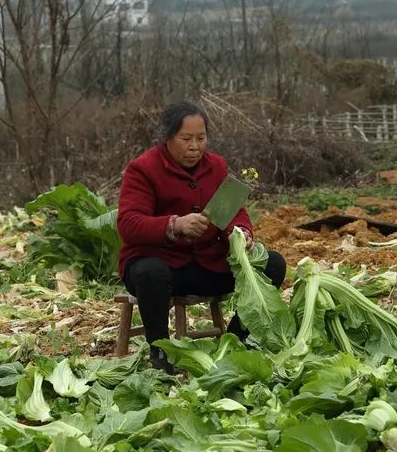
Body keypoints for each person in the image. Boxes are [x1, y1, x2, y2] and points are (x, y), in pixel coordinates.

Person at [117, 99, 286, 372]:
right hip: (163, 266)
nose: (195, 146)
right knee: (150, 272)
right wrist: (174, 225)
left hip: (207, 264)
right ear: (168, 137)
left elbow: (233, 212)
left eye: (201, 138)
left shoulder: (216, 166)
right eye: (186, 139)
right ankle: (160, 351)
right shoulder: (144, 169)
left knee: (273, 263)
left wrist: (240, 234)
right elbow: (128, 223)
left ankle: (235, 340)